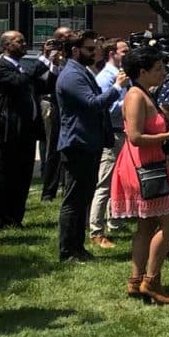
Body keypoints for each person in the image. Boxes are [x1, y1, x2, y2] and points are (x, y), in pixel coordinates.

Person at [109, 46, 169, 305]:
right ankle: (151, 280)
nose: (163, 72)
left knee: (146, 225)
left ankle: (136, 280)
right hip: (143, 167)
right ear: (142, 72)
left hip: (148, 164)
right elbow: (135, 137)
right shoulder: (135, 96)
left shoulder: (145, 94)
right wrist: (168, 136)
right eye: (158, 69)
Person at [55, 30, 128, 262]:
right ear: (75, 51)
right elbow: (93, 103)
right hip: (77, 143)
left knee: (82, 198)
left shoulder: (82, 71)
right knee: (73, 200)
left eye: (94, 48)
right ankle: (68, 250)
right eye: (89, 49)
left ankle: (78, 247)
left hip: (89, 142)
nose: (94, 52)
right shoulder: (71, 75)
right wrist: (116, 88)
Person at [0, 31, 42, 230]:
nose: (24, 44)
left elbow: (43, 83)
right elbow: (19, 82)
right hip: (8, 130)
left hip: (26, 130)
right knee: (2, 175)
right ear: (6, 45)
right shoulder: (0, 66)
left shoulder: (22, 67)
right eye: (20, 41)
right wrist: (42, 60)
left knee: (22, 176)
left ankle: (14, 216)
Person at [89, 38, 130, 249]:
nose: (127, 53)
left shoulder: (122, 76)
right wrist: (130, 101)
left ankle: (115, 221)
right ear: (112, 53)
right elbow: (107, 108)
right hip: (112, 135)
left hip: (124, 134)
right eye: (124, 51)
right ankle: (96, 229)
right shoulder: (105, 78)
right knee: (104, 184)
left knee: (121, 181)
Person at [37, 26, 72, 202]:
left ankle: (66, 184)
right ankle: (48, 191)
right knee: (52, 148)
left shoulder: (69, 59)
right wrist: (51, 60)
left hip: (66, 105)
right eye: (65, 38)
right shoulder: (43, 60)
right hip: (51, 104)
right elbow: (44, 82)